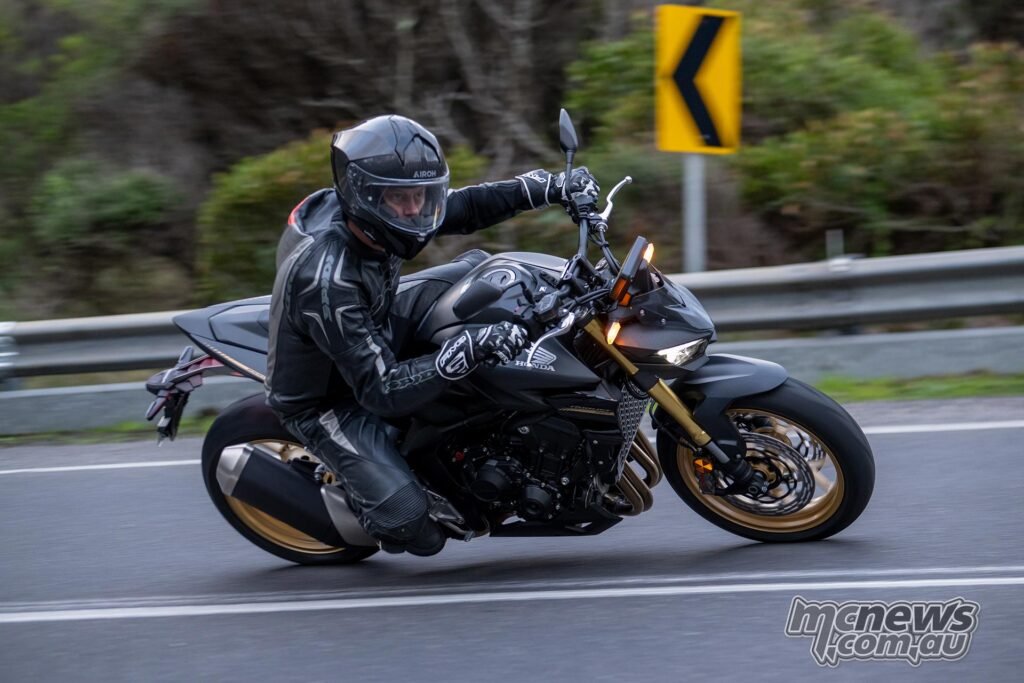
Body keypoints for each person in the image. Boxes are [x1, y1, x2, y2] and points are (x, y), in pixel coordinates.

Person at [265, 114, 599, 556]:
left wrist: (544, 188)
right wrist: (463, 351)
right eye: (399, 199)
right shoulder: (328, 281)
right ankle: (357, 501)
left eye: (421, 195)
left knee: (487, 271)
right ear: (364, 197)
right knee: (413, 528)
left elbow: (465, 207)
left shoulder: (378, 212)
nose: (414, 210)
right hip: (330, 397)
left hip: (376, 317)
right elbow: (381, 391)